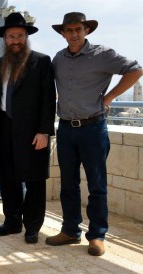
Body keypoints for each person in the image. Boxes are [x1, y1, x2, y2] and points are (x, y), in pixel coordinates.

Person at [45, 12, 143, 256]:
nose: (74, 34)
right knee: (68, 184)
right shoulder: (58, 58)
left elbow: (136, 70)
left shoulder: (103, 54)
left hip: (93, 128)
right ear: (63, 33)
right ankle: (69, 230)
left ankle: (97, 235)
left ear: (86, 30)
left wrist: (109, 97)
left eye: (78, 29)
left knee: (97, 185)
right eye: (69, 30)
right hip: (66, 128)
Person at [0, 13, 56, 244]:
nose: (15, 40)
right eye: (11, 36)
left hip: (32, 131)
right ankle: (12, 222)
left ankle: (32, 227)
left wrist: (44, 131)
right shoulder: (0, 64)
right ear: (5, 40)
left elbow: (49, 99)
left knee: (34, 180)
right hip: (4, 129)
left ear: (26, 37)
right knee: (8, 178)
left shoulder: (41, 61)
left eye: (20, 36)